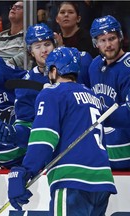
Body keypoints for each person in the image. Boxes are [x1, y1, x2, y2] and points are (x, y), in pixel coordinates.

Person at [7, 46, 117, 215]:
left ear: (53, 70)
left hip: (72, 179)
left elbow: (44, 138)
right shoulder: (92, 96)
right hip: (102, 182)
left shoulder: (52, 93)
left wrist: (26, 170)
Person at [0, 23, 92, 149]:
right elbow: (27, 127)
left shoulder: (80, 64)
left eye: (47, 44)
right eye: (37, 46)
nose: (44, 50)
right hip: (54, 150)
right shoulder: (25, 85)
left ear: (55, 44)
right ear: (30, 51)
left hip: (85, 140)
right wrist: (14, 134)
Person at [89, 15, 130, 170]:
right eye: (102, 40)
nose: (108, 45)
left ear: (120, 38)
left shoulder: (128, 67)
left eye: (111, 38)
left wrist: (103, 114)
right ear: (96, 43)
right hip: (105, 153)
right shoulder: (94, 66)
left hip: (127, 153)